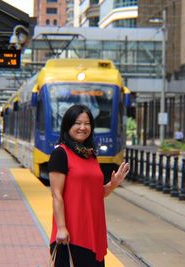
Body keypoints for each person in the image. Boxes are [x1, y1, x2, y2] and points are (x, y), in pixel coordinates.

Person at [48, 104, 130, 267]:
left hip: (94, 231)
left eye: (87, 124)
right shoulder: (61, 153)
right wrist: (62, 228)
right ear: (68, 125)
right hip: (72, 234)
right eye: (77, 123)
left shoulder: (91, 155)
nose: (82, 128)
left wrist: (113, 185)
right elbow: (56, 195)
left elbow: (95, 193)